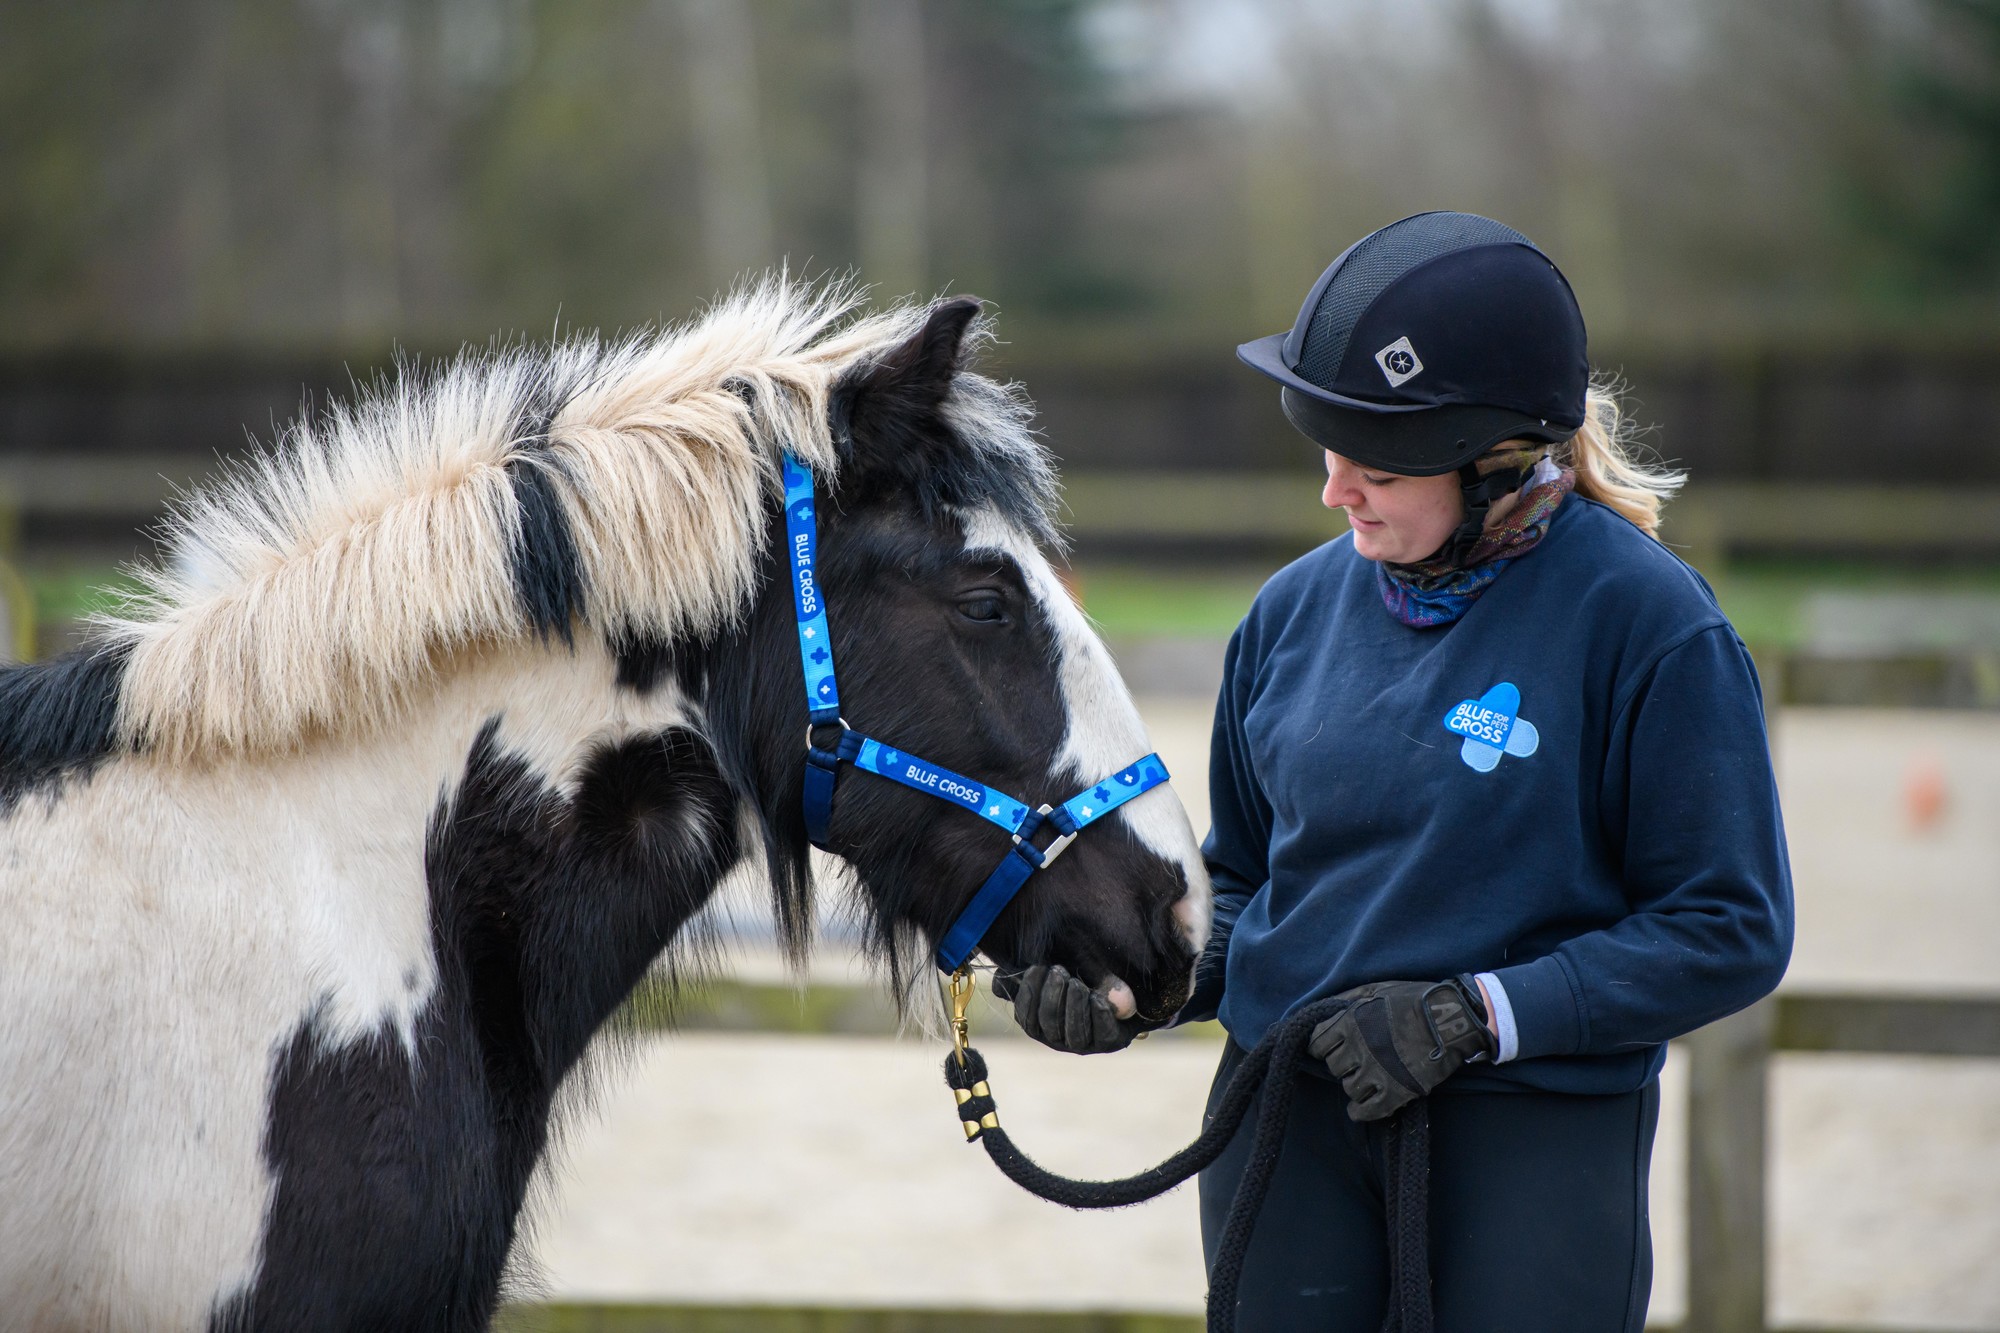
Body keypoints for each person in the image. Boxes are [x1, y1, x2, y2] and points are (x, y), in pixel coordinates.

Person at [999, 211, 1793, 1331]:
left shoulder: (1648, 627)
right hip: (1286, 1128)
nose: (1334, 492)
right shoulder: (1285, 615)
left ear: (1495, 461)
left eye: (1373, 465)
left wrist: (1478, 1013)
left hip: (1523, 1139)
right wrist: (1137, 982)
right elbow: (1248, 882)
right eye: (1326, 457)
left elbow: (1728, 924)